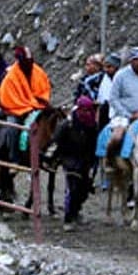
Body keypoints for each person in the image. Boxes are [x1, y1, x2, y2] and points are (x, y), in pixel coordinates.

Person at [53, 96, 99, 231]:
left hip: (85, 159)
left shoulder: (92, 126)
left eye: (89, 110)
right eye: (84, 110)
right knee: (72, 187)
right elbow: (56, 141)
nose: (87, 113)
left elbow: (93, 145)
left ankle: (76, 211)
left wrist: (92, 163)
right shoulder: (67, 125)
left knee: (84, 189)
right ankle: (68, 218)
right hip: (69, 158)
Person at [108, 46, 138, 148]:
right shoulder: (121, 75)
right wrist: (128, 114)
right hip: (126, 116)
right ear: (130, 61)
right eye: (136, 59)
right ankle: (107, 160)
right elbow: (113, 98)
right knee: (117, 138)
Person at [0, 46, 52, 122]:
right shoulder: (10, 78)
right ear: (19, 61)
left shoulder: (39, 72)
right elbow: (10, 101)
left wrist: (41, 104)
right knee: (12, 127)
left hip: (38, 107)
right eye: (26, 61)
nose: (29, 64)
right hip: (18, 110)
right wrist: (28, 109)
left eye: (30, 61)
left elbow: (44, 91)